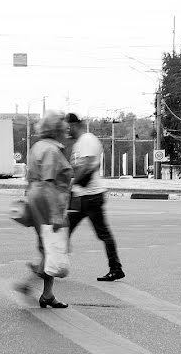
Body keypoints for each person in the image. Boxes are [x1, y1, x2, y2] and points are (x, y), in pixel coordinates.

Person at [15, 110, 73, 308]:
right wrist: (56, 213)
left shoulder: (40, 146)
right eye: (64, 128)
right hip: (48, 200)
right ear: (57, 130)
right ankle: (29, 283)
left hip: (37, 197)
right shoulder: (51, 150)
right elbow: (49, 182)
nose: (67, 131)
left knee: (51, 246)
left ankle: (47, 294)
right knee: (54, 246)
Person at [66, 113, 125, 282]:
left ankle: (116, 268)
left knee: (102, 234)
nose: (66, 131)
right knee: (65, 230)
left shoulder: (87, 140)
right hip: (83, 196)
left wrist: (72, 184)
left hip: (91, 196)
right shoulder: (80, 143)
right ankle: (50, 266)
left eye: (68, 127)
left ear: (75, 125)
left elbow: (86, 167)